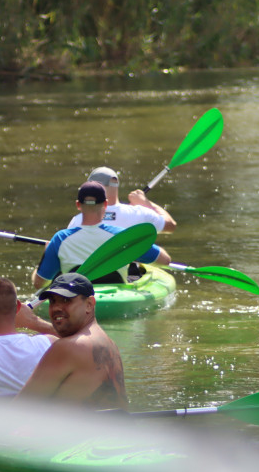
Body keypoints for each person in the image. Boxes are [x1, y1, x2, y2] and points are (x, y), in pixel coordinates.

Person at [14, 273, 128, 410]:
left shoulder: (65, 348)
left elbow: (20, 409)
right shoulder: (109, 344)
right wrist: (33, 323)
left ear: (89, 304)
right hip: (113, 428)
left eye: (66, 300)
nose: (56, 307)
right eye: (53, 301)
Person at [32, 181, 171, 289]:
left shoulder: (60, 239)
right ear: (105, 204)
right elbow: (165, 260)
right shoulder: (125, 237)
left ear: (78, 205)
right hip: (117, 296)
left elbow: (40, 284)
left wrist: (46, 253)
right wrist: (134, 254)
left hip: (76, 298)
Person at [67, 166, 177, 234]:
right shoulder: (139, 213)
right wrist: (145, 202)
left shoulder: (78, 220)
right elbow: (170, 226)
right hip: (128, 270)